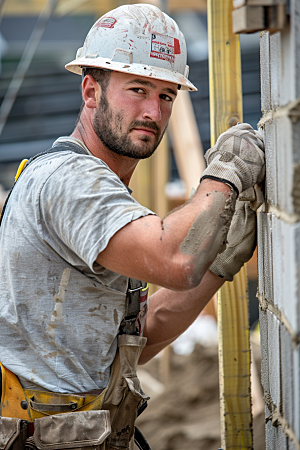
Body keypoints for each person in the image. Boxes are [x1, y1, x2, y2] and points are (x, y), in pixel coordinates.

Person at [0, 4, 265, 450]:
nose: (153, 111)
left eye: (166, 95)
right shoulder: (71, 180)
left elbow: (139, 338)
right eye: (137, 89)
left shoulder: (103, 191)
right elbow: (176, 260)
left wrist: (218, 263)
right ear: (90, 91)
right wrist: (227, 170)